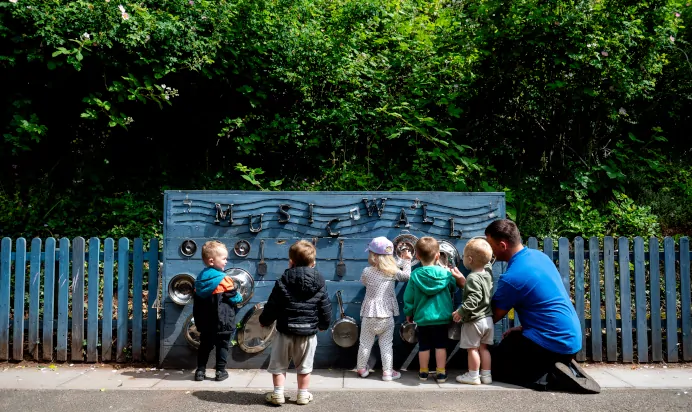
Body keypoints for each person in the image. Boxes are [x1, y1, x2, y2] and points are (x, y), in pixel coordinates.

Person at [485, 219, 600, 393]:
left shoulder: (512, 277)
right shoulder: (539, 256)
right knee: (509, 341)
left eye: (490, 245)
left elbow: (491, 316)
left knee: (490, 368)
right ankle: (563, 363)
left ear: (502, 245)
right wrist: (524, 327)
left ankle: (549, 376)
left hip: (551, 342)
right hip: (571, 338)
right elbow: (545, 300)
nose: (488, 250)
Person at [259, 240, 332, 405]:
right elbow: (325, 306)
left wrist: (264, 320)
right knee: (304, 366)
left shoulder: (283, 280)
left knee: (279, 364)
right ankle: (302, 394)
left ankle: (278, 393)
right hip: (308, 333)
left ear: (291, 261)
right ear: (313, 263)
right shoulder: (320, 281)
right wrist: (324, 324)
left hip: (285, 331)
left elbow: (272, 305)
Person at [403, 236, 460, 383]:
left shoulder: (415, 275)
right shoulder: (446, 274)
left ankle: (423, 373)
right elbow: (453, 288)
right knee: (441, 345)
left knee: (424, 346)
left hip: (423, 317)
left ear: (417, 256)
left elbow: (409, 298)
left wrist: (409, 313)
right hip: (441, 317)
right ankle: (441, 373)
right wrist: (449, 274)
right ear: (437, 256)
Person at [356, 236, 412, 381]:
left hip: (369, 314)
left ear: (373, 256)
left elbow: (364, 282)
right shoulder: (392, 272)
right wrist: (406, 260)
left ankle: (361, 368)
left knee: (364, 344)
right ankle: (387, 372)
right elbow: (406, 276)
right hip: (386, 315)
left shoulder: (367, 271)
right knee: (386, 345)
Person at [192, 240, 243, 382]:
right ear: (212, 261)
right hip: (223, 320)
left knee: (205, 345)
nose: (226, 261)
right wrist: (239, 297)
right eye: (224, 258)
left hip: (205, 321)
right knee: (223, 345)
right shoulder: (224, 279)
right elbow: (234, 298)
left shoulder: (200, 279)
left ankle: (200, 371)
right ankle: (220, 371)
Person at [452, 238, 494, 385]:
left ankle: (473, 376)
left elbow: (473, 300)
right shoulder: (487, 274)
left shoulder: (472, 278)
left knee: (473, 349)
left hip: (475, 321)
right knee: (484, 348)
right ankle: (486, 376)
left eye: (464, 257)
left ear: (470, 259)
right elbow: (487, 263)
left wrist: (460, 312)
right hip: (488, 319)